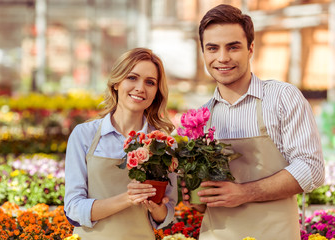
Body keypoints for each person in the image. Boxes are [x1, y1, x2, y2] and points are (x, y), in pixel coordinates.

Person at [181, 4, 325, 240]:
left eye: (233, 47)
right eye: (212, 48)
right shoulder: (201, 117)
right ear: (203, 53)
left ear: (250, 49)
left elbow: (312, 168)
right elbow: (203, 205)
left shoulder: (282, 97)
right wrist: (195, 197)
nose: (222, 58)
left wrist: (243, 193)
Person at [64, 47, 177, 240]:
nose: (140, 88)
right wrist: (127, 198)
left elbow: (167, 215)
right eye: (132, 78)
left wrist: (157, 209)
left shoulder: (163, 144)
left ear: (157, 91)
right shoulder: (84, 135)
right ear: (116, 83)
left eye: (150, 82)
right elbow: (73, 208)